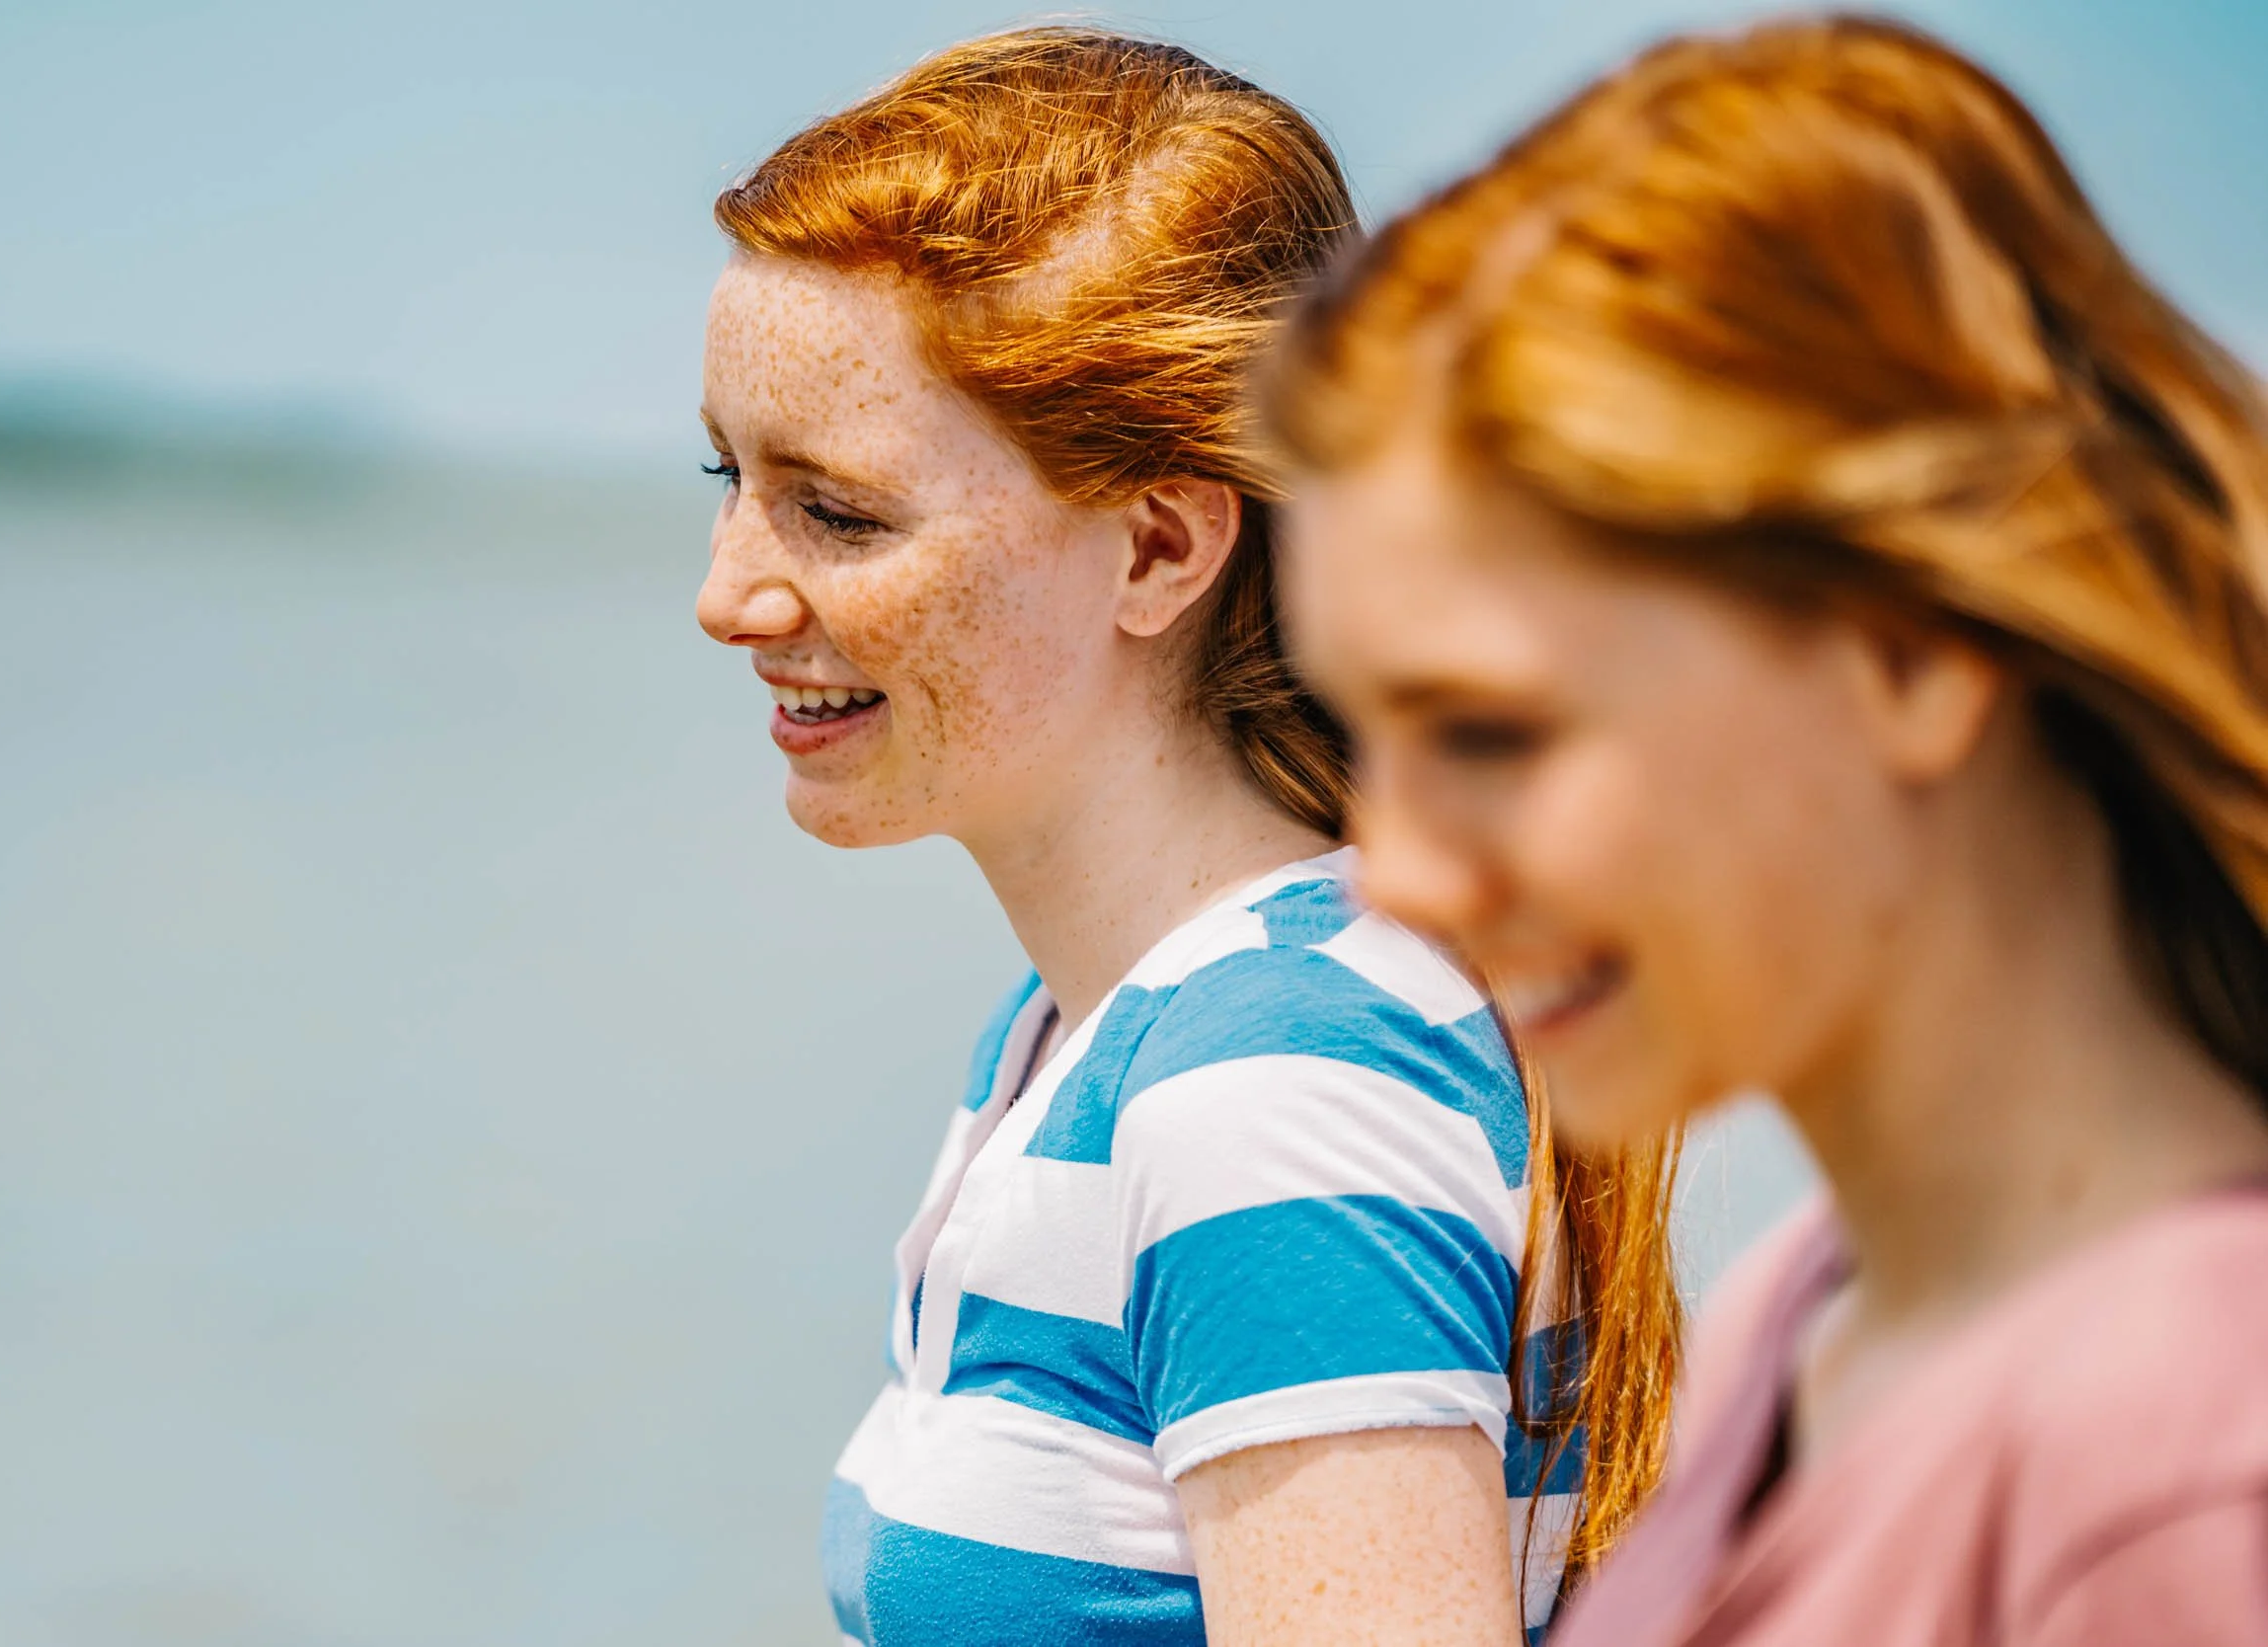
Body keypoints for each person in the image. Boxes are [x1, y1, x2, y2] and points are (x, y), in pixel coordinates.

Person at [1266, 15, 2268, 1646]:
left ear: (1909, 652)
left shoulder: (2183, 1468)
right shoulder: (1806, 1315)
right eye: (1361, 740)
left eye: (1493, 734)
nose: (1401, 871)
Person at [693, 28, 1679, 1647]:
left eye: (839, 511)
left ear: (1159, 546)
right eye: (727, 475)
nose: (729, 593)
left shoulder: (1273, 1086)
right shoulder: (1083, 1036)